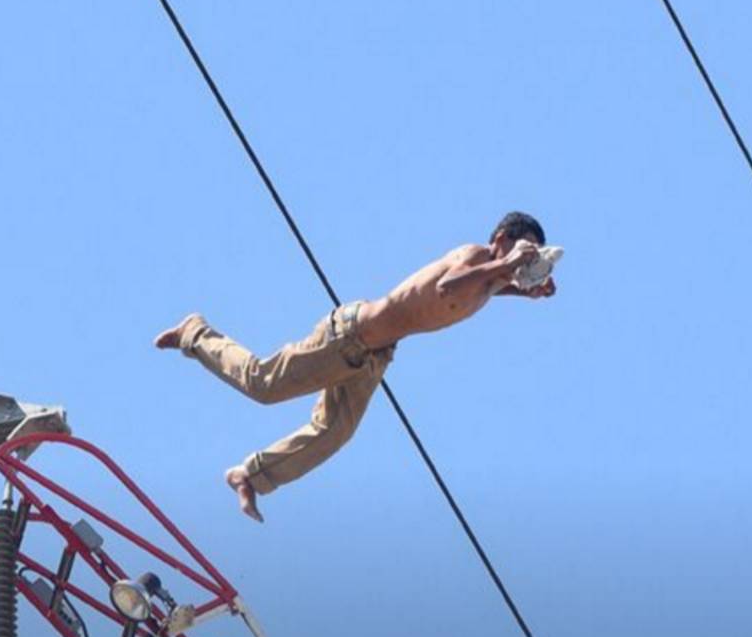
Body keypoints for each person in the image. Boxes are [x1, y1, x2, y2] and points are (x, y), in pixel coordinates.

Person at [154, 211, 556, 521]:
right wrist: (507, 269)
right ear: (501, 239)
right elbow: (447, 288)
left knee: (333, 432)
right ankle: (194, 333)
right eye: (523, 249)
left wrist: (528, 290)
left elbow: (479, 290)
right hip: (349, 336)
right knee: (264, 385)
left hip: (374, 356)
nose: (523, 260)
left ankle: (250, 476)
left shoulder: (491, 281)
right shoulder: (475, 256)